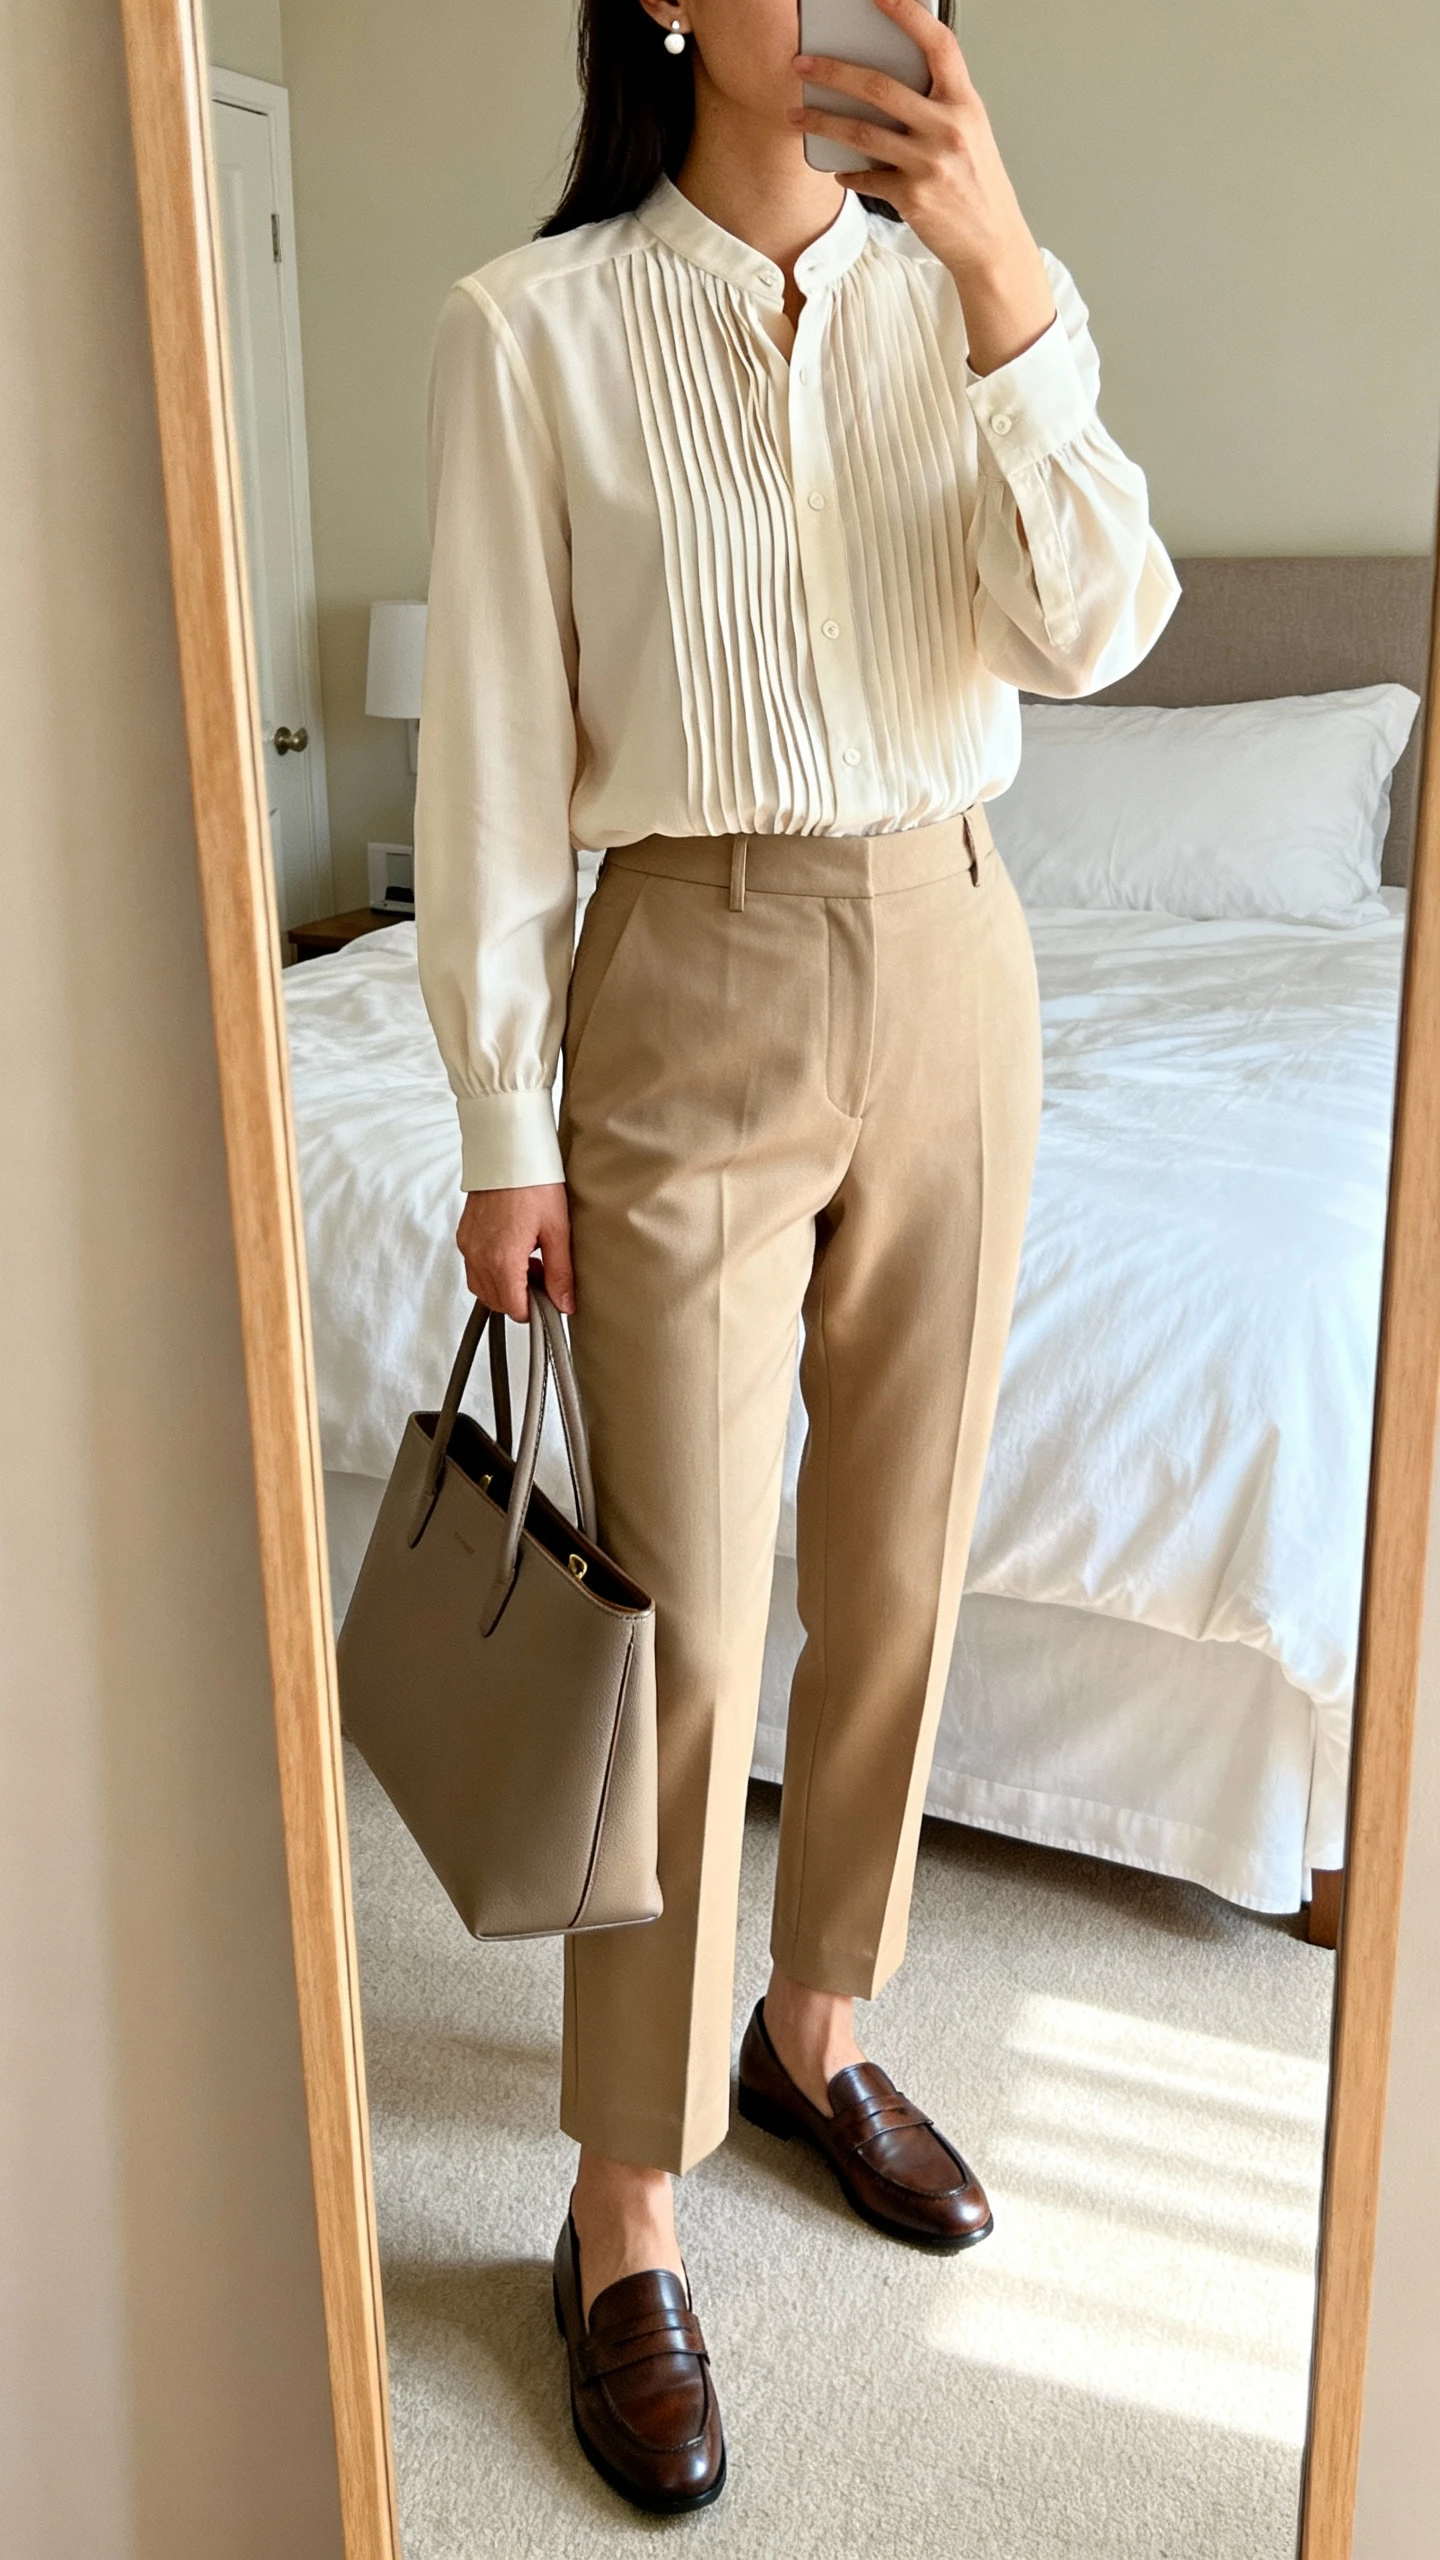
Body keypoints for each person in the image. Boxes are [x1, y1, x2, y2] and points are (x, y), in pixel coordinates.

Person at [415, 0, 1178, 2512]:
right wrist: (499, 1117)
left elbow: (1099, 629)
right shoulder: (532, 330)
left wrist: (1009, 283)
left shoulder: (977, 306)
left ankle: (814, 2027)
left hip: (957, 949)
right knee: (684, 1618)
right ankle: (619, 2190)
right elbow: (500, 752)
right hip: (684, 978)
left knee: (899, 1564)